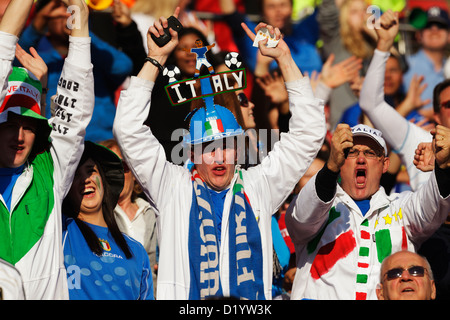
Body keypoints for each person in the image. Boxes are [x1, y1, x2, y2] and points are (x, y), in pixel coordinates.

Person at [113, 8, 326, 299]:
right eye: (208, 149)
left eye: (226, 146)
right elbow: (127, 127)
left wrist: (285, 59)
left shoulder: (259, 185)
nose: (219, 157)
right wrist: (156, 59)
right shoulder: (171, 186)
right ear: (191, 152)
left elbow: (309, 132)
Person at [285, 123, 450, 300]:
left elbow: (432, 207)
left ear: (384, 164)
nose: (361, 159)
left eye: (370, 153)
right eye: (352, 152)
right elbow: (300, 218)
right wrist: (330, 167)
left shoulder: (400, 207)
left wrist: (443, 166)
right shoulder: (320, 205)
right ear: (340, 159)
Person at [0, 0, 94, 299]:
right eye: (10, 123)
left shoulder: (51, 170)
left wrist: (80, 24)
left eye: (29, 126)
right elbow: (2, 48)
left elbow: (74, 106)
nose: (20, 135)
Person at [18, 0, 133, 142]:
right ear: (47, 25)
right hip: (57, 144)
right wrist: (38, 23)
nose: (69, 17)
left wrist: (82, 32)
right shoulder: (42, 62)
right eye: (61, 14)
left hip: (101, 143)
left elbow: (123, 67)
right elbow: (15, 60)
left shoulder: (98, 57)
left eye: (72, 12)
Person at [62, 141, 154, 300]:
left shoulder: (137, 251)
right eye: (75, 175)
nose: (86, 180)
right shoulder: (58, 235)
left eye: (91, 171)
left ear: (104, 182)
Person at [99, 138, 158, 296]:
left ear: (134, 173)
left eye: (123, 166)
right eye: (109, 167)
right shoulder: (96, 215)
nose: (117, 173)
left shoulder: (153, 213)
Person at [218, 0, 322, 76]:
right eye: (271, 7)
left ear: (291, 7)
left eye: (283, 5)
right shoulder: (255, 35)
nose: (278, 11)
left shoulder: (304, 31)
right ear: (262, 12)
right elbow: (230, 13)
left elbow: (328, 8)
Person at [403, 6, 450, 116]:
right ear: (418, 35)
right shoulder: (404, 64)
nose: (434, 29)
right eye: (428, 26)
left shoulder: (448, 66)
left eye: (440, 26)